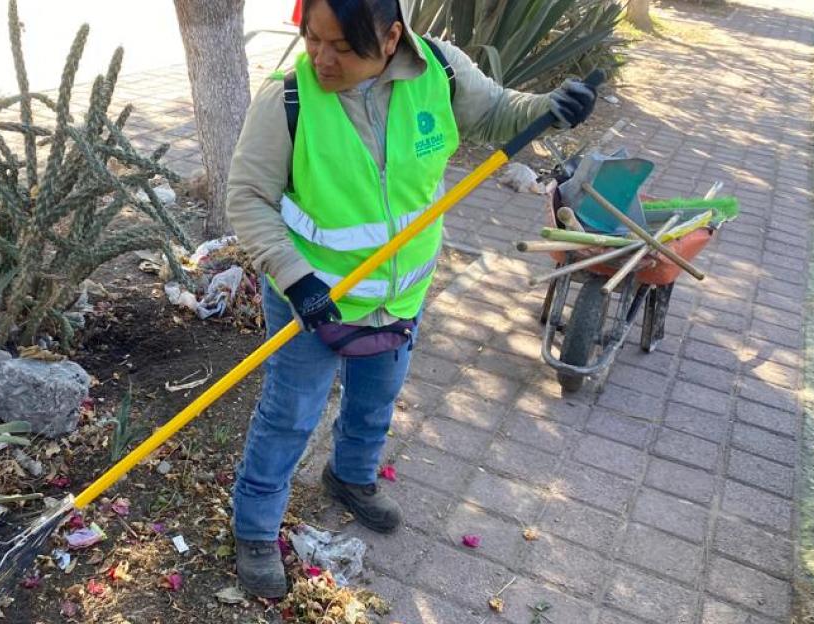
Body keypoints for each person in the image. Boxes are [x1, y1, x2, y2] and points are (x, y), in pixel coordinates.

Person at [225, 0, 597, 598]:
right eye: (312, 39)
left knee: (378, 398)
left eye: (342, 47)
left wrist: (550, 108)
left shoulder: (440, 71)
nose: (322, 58)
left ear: (392, 35)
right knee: (291, 414)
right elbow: (247, 197)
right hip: (312, 295)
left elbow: (499, 111)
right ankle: (255, 528)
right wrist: (296, 279)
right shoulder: (288, 100)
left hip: (402, 293)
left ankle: (352, 478)